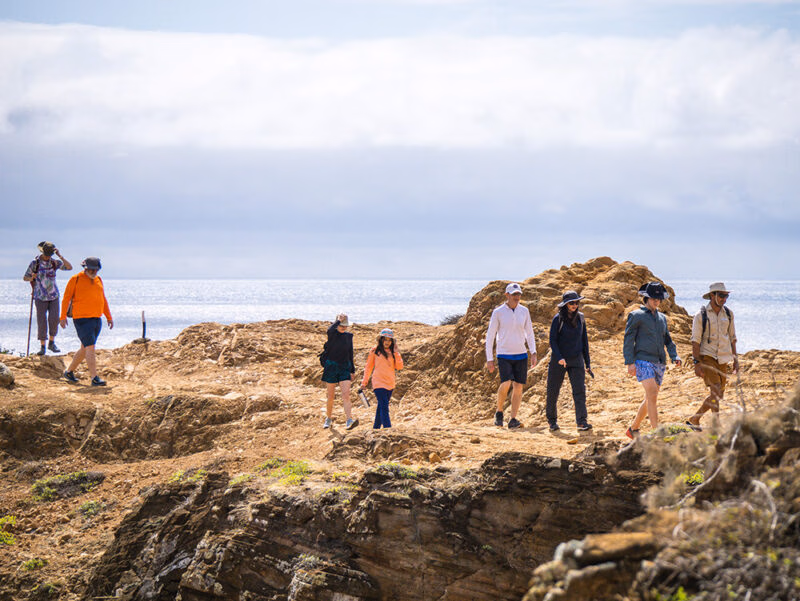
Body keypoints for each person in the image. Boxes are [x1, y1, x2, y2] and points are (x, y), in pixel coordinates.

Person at [623, 281, 681, 438]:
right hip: (642, 360)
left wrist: (674, 355)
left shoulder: (662, 318)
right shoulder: (636, 316)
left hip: (659, 362)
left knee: (650, 397)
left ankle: (633, 429)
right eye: (654, 298)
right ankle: (657, 432)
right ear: (646, 298)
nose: (657, 301)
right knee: (652, 393)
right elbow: (628, 339)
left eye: (659, 298)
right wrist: (629, 363)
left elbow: (668, 340)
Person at [686, 283, 738, 431]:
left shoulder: (728, 314)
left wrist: (736, 359)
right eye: (721, 295)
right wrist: (696, 363)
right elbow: (695, 340)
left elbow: (733, 337)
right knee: (715, 390)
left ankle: (695, 419)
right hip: (707, 356)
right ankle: (713, 423)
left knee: (718, 394)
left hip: (723, 357)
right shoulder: (700, 315)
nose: (724, 299)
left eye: (726, 296)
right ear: (712, 296)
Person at [485, 282, 538, 429]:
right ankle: (499, 411)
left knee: (518, 386)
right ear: (507, 295)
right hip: (504, 354)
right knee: (506, 382)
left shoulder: (524, 311)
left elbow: (529, 332)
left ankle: (513, 418)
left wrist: (533, 351)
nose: (517, 297)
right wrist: (489, 359)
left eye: (519, 294)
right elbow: (490, 336)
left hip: (521, 354)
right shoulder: (498, 312)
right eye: (514, 294)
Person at [59, 257, 113, 386]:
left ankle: (69, 372)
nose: (93, 272)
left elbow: (103, 299)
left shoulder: (99, 280)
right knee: (90, 347)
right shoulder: (75, 279)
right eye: (91, 269)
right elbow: (66, 299)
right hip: (81, 319)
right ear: (85, 268)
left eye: (96, 269)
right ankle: (94, 377)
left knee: (85, 347)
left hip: (96, 318)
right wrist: (62, 317)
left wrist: (109, 317)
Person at [545, 291, 593, 432]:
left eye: (577, 302)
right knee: (553, 391)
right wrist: (559, 357)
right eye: (572, 303)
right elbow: (552, 341)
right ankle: (552, 421)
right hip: (559, 360)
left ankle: (581, 422)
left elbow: (584, 342)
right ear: (565, 305)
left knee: (579, 391)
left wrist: (588, 363)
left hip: (576, 359)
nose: (575, 305)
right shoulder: (557, 319)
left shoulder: (581, 318)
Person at [22, 241, 73, 355]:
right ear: (42, 252)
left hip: (54, 295)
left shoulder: (54, 262)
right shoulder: (35, 263)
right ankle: (43, 346)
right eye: (46, 254)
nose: (47, 257)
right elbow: (25, 277)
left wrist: (60, 256)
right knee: (42, 321)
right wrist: (32, 278)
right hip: (40, 296)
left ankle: (51, 343)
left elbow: (69, 267)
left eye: (50, 255)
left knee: (54, 320)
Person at [360, 328, 404, 430]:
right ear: (381, 340)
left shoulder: (393, 352)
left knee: (381, 406)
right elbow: (368, 367)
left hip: (390, 383)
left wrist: (397, 353)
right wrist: (364, 382)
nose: (387, 342)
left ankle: (376, 428)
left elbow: (399, 367)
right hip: (378, 383)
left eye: (389, 340)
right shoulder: (374, 351)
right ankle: (387, 429)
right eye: (385, 339)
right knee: (384, 407)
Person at [321, 313, 358, 430]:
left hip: (345, 367)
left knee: (346, 395)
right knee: (331, 396)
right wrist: (337, 321)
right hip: (331, 366)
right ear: (337, 324)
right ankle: (328, 418)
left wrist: (352, 370)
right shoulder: (332, 334)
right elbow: (329, 330)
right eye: (341, 325)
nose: (343, 327)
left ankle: (349, 420)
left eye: (345, 325)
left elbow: (350, 353)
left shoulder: (349, 336)